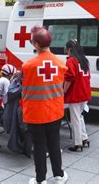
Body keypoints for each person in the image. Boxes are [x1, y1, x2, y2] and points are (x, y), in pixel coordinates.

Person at [21, 26, 69, 184]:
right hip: (54, 112)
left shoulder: (28, 66)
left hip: (35, 114)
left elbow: (25, 88)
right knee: (54, 144)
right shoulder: (60, 64)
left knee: (39, 147)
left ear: (36, 44)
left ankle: (40, 179)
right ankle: (59, 175)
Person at [63, 40, 91, 152]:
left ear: (70, 49)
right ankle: (84, 138)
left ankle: (77, 143)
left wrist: (63, 91)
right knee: (79, 116)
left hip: (75, 93)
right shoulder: (84, 60)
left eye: (67, 49)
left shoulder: (71, 61)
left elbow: (69, 78)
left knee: (75, 119)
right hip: (84, 92)